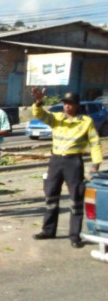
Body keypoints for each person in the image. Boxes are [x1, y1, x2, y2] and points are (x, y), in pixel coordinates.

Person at [30, 89, 103, 248]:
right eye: (65, 103)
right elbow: (39, 114)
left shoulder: (85, 122)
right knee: (51, 196)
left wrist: (95, 165)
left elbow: (95, 143)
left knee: (76, 198)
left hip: (73, 162)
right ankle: (48, 230)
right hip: (56, 161)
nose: (66, 106)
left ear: (76, 105)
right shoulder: (57, 118)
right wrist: (38, 102)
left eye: (70, 103)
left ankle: (74, 235)